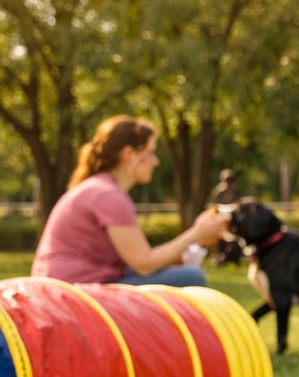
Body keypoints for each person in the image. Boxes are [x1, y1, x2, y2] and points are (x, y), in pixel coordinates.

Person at [31, 116, 229, 286]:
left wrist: (180, 255)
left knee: (183, 272)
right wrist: (196, 234)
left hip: (66, 286)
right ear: (128, 154)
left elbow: (136, 261)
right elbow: (144, 264)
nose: (156, 161)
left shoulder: (99, 188)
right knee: (191, 277)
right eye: (150, 152)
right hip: (76, 292)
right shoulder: (108, 195)